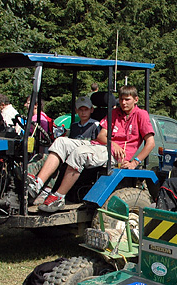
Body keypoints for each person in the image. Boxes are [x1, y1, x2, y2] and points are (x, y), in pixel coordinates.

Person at [38, 85, 155, 213]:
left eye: (127, 99)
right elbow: (101, 136)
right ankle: (37, 184)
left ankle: (59, 197)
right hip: (101, 146)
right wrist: (113, 144)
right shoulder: (114, 113)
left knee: (79, 153)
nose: (123, 103)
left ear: (136, 99)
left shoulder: (141, 115)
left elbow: (150, 143)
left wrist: (135, 162)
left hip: (117, 155)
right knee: (61, 142)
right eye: (121, 99)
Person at [27, 96, 101, 205]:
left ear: (91, 110)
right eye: (80, 109)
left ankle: (46, 189)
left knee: (60, 159)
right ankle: (30, 180)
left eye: (86, 109)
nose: (83, 112)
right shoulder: (74, 126)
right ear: (76, 110)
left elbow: (96, 145)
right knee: (43, 157)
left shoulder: (95, 125)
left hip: (83, 157)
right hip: (70, 154)